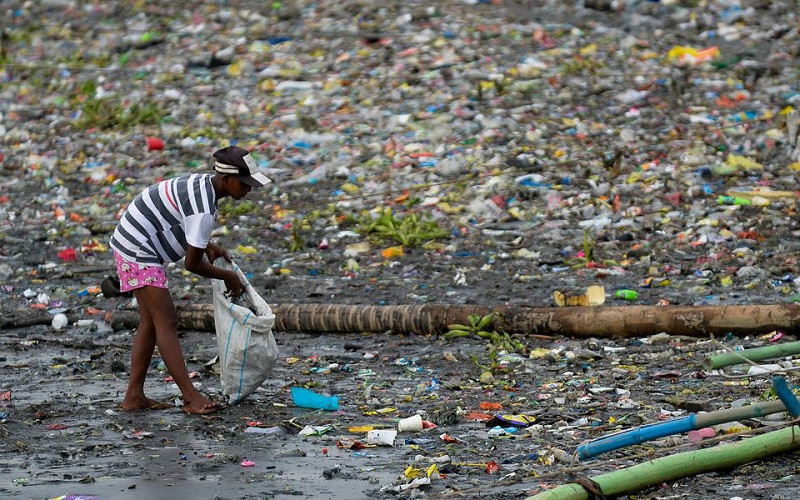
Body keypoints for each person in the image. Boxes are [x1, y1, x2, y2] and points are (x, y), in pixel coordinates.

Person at [109, 145, 270, 414]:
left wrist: (206, 245)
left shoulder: (204, 184)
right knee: (167, 320)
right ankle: (190, 396)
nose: (248, 189)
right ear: (226, 179)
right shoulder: (203, 208)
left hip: (133, 239)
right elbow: (192, 264)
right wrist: (228, 276)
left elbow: (180, 219)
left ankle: (134, 397)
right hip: (137, 249)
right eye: (244, 183)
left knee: (151, 321)